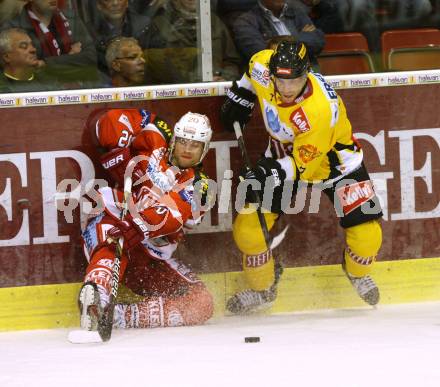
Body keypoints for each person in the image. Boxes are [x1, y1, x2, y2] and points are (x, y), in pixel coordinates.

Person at [220, 40, 383, 313]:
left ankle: (356, 271)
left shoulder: (319, 110)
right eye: (279, 81)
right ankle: (264, 289)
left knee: (368, 239)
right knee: (248, 231)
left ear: (306, 73)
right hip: (282, 151)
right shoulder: (262, 64)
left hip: (336, 163)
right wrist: (242, 95)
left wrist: (264, 172)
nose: (285, 89)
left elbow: (300, 166)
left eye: (293, 81)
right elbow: (251, 73)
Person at [79, 109, 214, 330]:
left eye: (195, 145)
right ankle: (97, 295)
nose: (187, 149)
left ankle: (117, 316)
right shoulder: (156, 136)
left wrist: (139, 225)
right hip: (113, 222)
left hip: (149, 258)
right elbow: (109, 121)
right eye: (183, 141)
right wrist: (118, 145)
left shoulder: (202, 186)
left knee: (202, 304)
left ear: (205, 149)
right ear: (174, 139)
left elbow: (173, 213)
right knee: (114, 236)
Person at [4, 0, 98, 87]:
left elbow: (91, 57)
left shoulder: (71, 18)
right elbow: (24, 70)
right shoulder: (13, 28)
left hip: (80, 86)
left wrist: (46, 63)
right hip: (37, 91)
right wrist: (71, 58)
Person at [146, 0, 241, 84]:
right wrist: (196, 81)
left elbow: (232, 61)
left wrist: (225, 78)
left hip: (216, 89)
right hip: (178, 92)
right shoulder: (159, 24)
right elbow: (158, 66)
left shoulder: (214, 21)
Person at [232, 0, 325, 66]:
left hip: (307, 69)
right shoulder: (245, 22)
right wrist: (301, 37)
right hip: (272, 78)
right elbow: (262, 56)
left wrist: (276, 42)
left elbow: (318, 42)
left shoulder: (296, 11)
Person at [83, 0, 152, 73]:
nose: (115, 3)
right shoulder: (88, 31)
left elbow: (159, 56)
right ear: (99, 5)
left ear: (127, 2)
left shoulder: (144, 25)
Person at [0, 27, 55, 92]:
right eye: (24, 46)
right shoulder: (3, 89)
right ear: (7, 57)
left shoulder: (49, 83)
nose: (33, 50)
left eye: (32, 45)